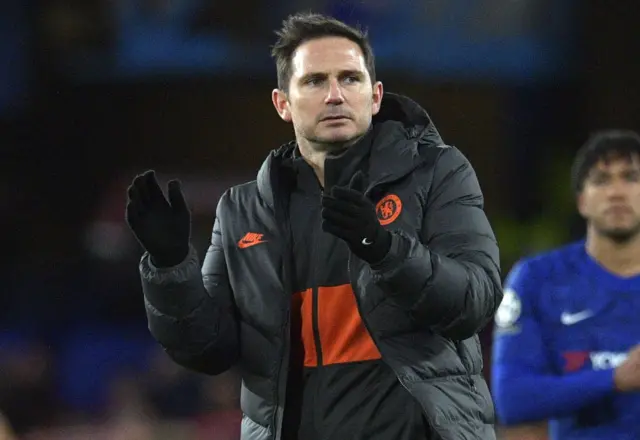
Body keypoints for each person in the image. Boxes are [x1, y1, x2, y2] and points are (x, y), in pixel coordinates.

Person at [125, 12, 502, 440]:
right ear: (282, 103)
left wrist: (383, 248)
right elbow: (207, 350)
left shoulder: (437, 172)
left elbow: (475, 300)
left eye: (350, 79)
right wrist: (171, 267)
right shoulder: (244, 209)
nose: (335, 95)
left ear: (375, 96)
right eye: (315, 81)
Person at [491, 130, 640, 440]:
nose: (616, 192)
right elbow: (511, 399)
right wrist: (614, 378)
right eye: (601, 180)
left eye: (630, 177)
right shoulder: (538, 278)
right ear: (582, 201)